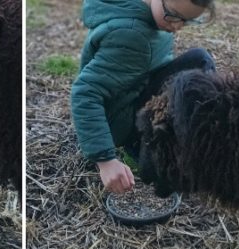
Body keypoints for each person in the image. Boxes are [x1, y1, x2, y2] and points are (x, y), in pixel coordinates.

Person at [71, 0, 216, 194]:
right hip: (125, 121)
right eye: (173, 15)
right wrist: (105, 160)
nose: (177, 26)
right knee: (199, 62)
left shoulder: (151, 14)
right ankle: (151, 149)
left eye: (187, 21)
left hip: (136, 89)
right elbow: (85, 92)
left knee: (197, 65)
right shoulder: (131, 36)